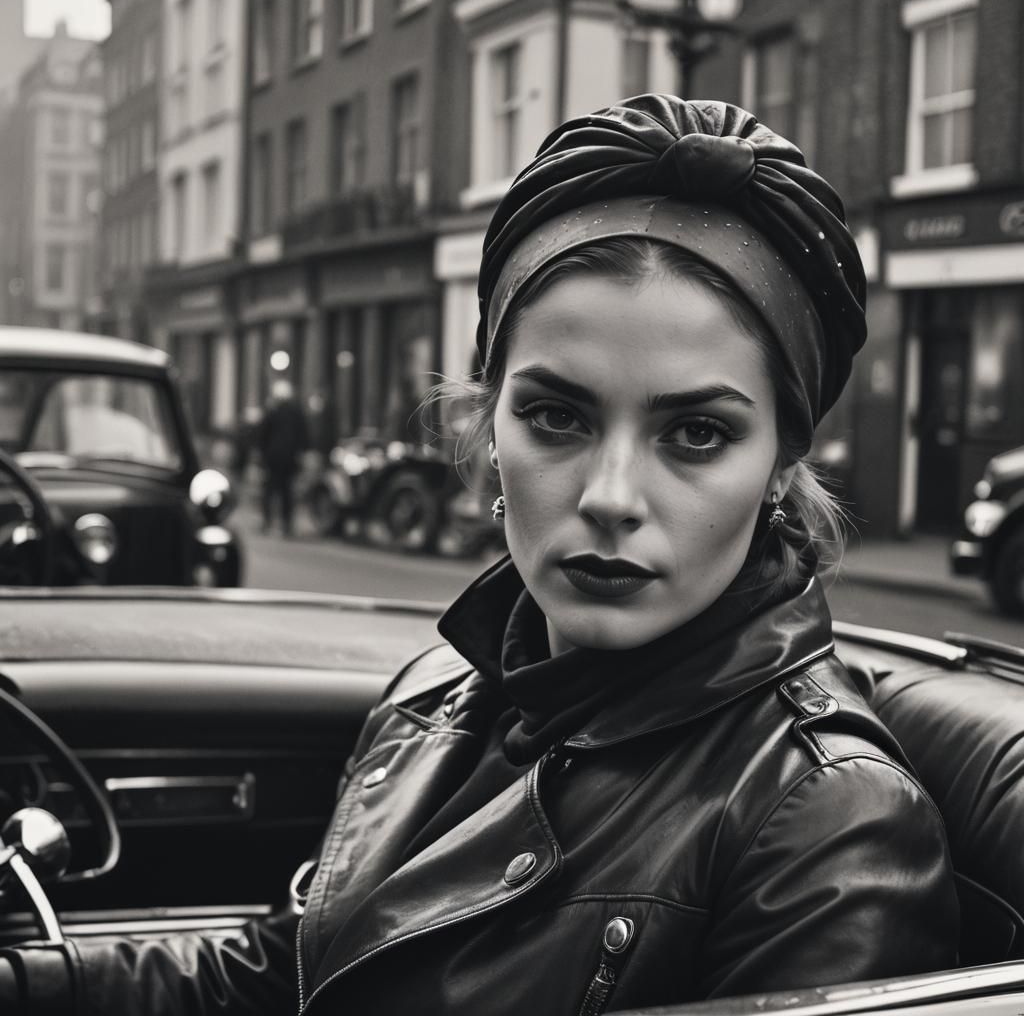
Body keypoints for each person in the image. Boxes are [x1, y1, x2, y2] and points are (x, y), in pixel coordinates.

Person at [0, 96, 958, 1013]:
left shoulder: (828, 824)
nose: (611, 498)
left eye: (697, 434)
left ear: (784, 464)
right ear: (489, 426)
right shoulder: (435, 694)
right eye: (556, 416)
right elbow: (272, 979)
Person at [257, 378, 309, 536]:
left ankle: (268, 521)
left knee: (270, 489)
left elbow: (262, 434)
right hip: (290, 457)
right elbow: (304, 435)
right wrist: (301, 452)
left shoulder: (272, 411)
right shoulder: (296, 412)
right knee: (287, 490)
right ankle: (287, 523)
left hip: (273, 457)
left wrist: (262, 453)